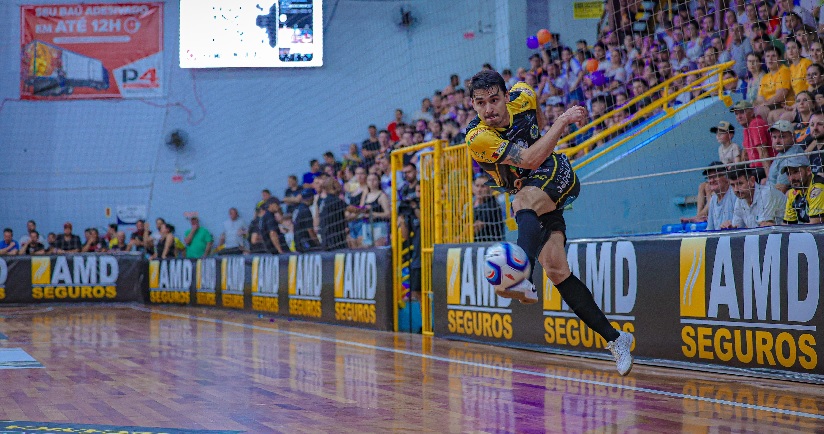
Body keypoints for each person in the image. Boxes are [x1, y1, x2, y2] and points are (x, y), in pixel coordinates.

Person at [466, 69, 633, 375]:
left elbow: (538, 131)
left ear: (505, 96)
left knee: (520, 201)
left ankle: (520, 274)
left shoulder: (524, 95)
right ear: (473, 106)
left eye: (494, 100)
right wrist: (555, 127)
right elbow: (527, 159)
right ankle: (617, 339)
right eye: (480, 103)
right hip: (533, 193)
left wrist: (561, 121)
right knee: (557, 270)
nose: (488, 109)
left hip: (556, 172)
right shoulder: (477, 137)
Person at [721, 165, 786, 228]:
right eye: (732, 185)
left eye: (740, 184)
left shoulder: (766, 194)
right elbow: (737, 227)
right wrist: (729, 227)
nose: (736, 189)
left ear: (752, 181)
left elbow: (764, 228)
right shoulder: (740, 199)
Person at [766, 120, 806, 193]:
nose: (777, 141)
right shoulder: (783, 152)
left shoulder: (792, 156)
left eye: (782, 137)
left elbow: (781, 188)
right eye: (774, 137)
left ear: (793, 137)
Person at [783, 156, 824, 224]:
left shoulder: (818, 188)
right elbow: (787, 225)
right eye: (788, 174)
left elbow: (815, 225)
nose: (791, 178)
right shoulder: (792, 193)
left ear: (808, 170)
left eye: (796, 172)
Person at [702, 164, 737, 231]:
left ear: (726, 177)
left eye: (715, 176)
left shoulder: (735, 194)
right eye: (709, 177)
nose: (712, 180)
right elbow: (710, 228)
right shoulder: (713, 199)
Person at [472, 174, 506, 242]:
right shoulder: (471, 204)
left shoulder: (492, 205)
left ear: (490, 188)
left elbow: (475, 228)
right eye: (477, 186)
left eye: (483, 186)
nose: (479, 190)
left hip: (490, 246)